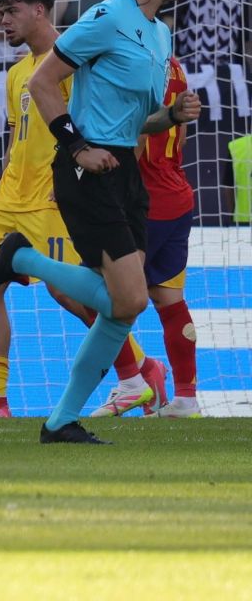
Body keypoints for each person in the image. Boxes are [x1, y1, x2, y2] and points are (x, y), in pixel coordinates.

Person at [0, 0, 202, 444]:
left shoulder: (159, 33)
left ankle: (60, 423)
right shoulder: (106, 17)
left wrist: (171, 115)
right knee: (129, 301)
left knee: (123, 308)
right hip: (86, 169)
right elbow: (43, 82)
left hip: (125, 172)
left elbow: (139, 119)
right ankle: (22, 259)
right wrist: (77, 147)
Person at [0, 0, 95, 418]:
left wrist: (72, 182)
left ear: (39, 10)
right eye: (0, 11)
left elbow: (90, 127)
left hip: (52, 195)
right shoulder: (16, 73)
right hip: (11, 196)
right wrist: (6, 183)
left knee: (68, 293)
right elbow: (18, 137)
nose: (3, 20)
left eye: (11, 11)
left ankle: (141, 369)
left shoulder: (73, 62)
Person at [90, 55, 199, 418]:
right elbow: (180, 130)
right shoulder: (174, 65)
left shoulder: (133, 61)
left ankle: (132, 381)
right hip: (176, 193)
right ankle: (186, 399)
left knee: (92, 292)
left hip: (144, 201)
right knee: (170, 300)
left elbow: (134, 134)